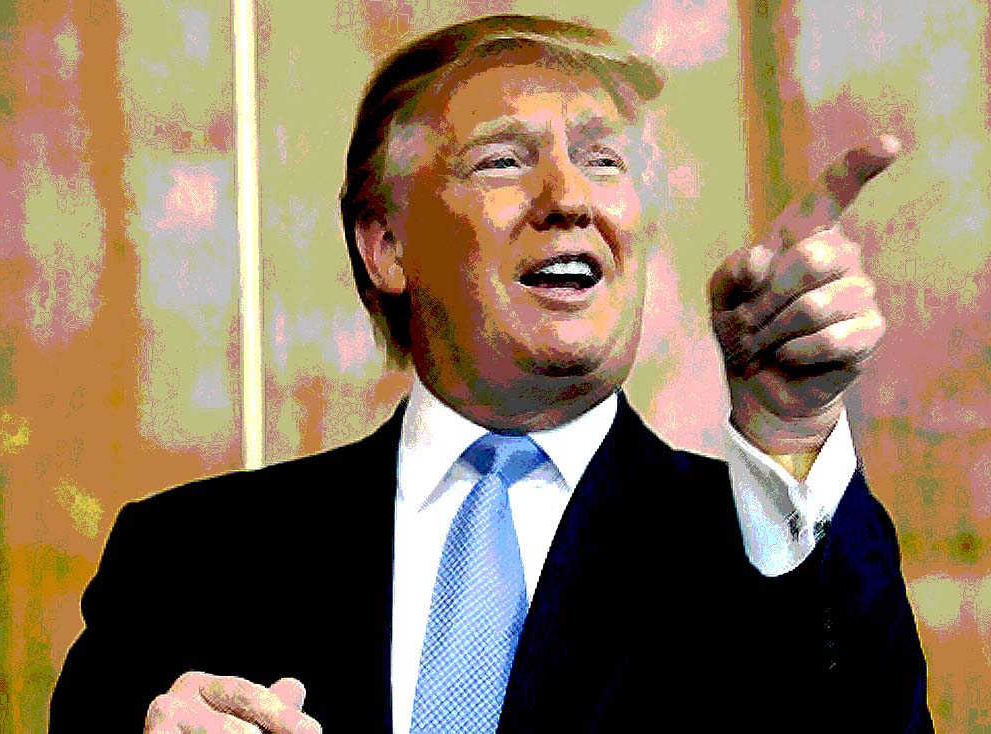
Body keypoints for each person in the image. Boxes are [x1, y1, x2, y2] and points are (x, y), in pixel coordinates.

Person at [50, 14, 932, 733]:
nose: (570, 198)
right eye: (505, 159)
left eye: (603, 160)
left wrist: (789, 433)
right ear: (386, 245)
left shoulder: (765, 556)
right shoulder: (189, 559)